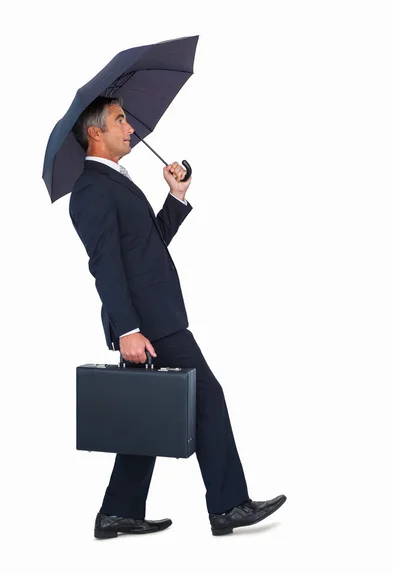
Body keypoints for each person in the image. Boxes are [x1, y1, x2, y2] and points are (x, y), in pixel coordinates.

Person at [69, 95, 287, 538]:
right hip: (147, 323)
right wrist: (128, 329)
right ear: (95, 133)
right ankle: (229, 505)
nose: (130, 128)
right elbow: (106, 265)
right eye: (120, 120)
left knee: (148, 411)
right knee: (207, 397)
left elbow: (146, 247)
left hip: (153, 316)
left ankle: (118, 511)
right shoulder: (93, 189)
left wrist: (176, 196)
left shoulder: (115, 181)